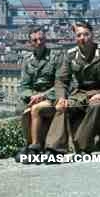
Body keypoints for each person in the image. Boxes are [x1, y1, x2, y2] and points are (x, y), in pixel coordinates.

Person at [45, 21, 100, 156]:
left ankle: (82, 143)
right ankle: (54, 148)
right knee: (62, 107)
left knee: (97, 105)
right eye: (79, 35)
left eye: (86, 34)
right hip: (80, 93)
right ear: (75, 38)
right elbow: (61, 79)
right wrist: (61, 97)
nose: (83, 38)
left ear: (92, 35)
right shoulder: (70, 54)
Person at [15, 25, 62, 163]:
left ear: (45, 39)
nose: (39, 42)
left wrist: (44, 95)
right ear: (30, 43)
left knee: (36, 109)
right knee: (21, 110)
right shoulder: (27, 60)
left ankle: (35, 147)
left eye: (41, 39)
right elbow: (24, 86)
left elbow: (61, 83)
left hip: (52, 95)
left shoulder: (55, 57)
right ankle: (29, 145)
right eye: (35, 40)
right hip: (33, 97)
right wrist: (31, 96)